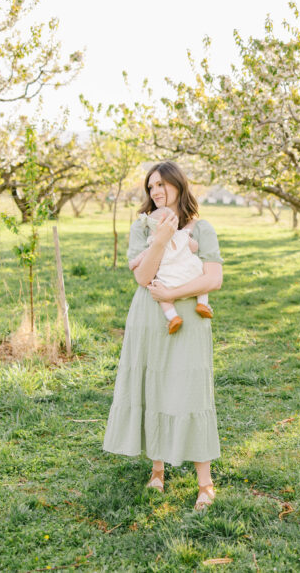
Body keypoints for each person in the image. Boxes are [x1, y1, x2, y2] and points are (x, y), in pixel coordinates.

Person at [102, 161, 224, 510]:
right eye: (150, 186)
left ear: (179, 186)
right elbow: (143, 278)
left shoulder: (203, 229)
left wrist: (173, 294)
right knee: (152, 386)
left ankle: (205, 483)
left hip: (188, 317)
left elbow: (213, 279)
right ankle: (157, 470)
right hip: (149, 317)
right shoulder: (142, 227)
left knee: (192, 392)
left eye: (162, 185)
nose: (155, 191)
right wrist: (160, 239)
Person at [128, 206, 214, 334]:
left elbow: (144, 255)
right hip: (191, 272)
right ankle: (202, 304)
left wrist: (134, 262)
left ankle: (173, 317)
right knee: (202, 285)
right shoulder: (183, 234)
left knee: (160, 293)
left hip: (170, 278)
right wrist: (189, 240)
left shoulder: (154, 241)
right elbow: (195, 247)